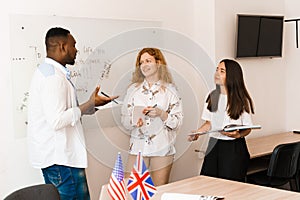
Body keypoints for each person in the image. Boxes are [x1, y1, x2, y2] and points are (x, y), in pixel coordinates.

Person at [27, 27, 118, 200]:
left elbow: (69, 113)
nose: (76, 50)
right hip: (61, 162)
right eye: (73, 45)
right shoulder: (52, 78)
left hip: (60, 160)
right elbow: (57, 120)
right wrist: (88, 105)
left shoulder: (51, 73)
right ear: (62, 46)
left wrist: (93, 106)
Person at [121, 47, 183, 186]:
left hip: (162, 148)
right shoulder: (133, 90)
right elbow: (124, 121)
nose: (144, 65)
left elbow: (177, 123)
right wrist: (133, 121)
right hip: (137, 147)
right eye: (141, 62)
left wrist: (162, 114)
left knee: (158, 191)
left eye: (148, 60)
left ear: (158, 63)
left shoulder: (170, 90)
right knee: (130, 190)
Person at [188, 59, 255, 182]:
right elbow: (209, 123)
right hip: (214, 145)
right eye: (217, 70)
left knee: (230, 185)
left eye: (222, 71)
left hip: (233, 148)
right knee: (208, 182)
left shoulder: (241, 99)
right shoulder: (212, 96)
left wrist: (238, 134)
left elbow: (248, 128)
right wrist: (197, 132)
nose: (217, 73)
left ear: (232, 76)